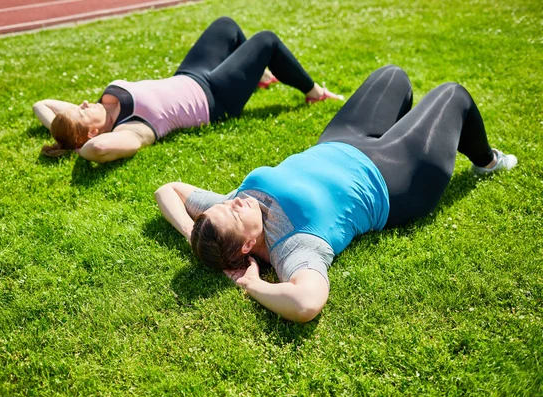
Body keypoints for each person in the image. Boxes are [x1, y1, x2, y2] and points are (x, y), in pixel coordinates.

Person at [154, 65, 517, 322]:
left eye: (226, 205)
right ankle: (487, 160)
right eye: (233, 213)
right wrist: (253, 285)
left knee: (392, 76)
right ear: (248, 247)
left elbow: (167, 189)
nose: (233, 202)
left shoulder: (229, 211)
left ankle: (400, 127)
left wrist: (191, 233)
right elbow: (306, 303)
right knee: (453, 95)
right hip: (394, 176)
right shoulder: (294, 247)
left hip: (341, 141)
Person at [33, 17, 342, 163]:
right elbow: (97, 150)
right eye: (81, 111)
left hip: (191, 74)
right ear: (90, 133)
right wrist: (76, 149)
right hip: (215, 98)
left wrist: (61, 131)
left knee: (226, 26)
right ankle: (313, 92)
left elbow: (41, 104)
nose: (84, 102)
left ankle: (256, 75)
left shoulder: (99, 110)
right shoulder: (131, 130)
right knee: (266, 40)